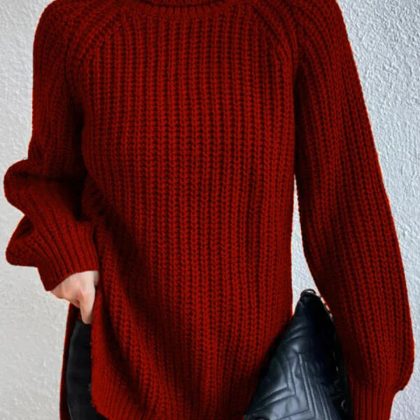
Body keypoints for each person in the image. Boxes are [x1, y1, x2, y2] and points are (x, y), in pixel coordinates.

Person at [3, 0, 415, 419]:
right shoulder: (77, 25)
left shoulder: (297, 17)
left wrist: (373, 380)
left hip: (261, 391)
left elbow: (348, 211)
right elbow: (47, 180)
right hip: (117, 374)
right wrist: (69, 258)